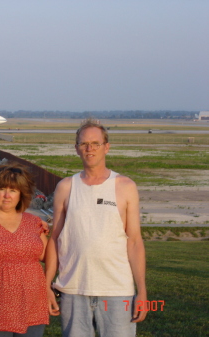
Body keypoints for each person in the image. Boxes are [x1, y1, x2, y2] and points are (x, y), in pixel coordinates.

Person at [45, 120, 147, 337]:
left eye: (95, 143)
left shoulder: (126, 187)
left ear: (106, 147)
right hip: (73, 289)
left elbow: (135, 241)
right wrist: (47, 285)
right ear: (76, 149)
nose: (89, 149)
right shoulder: (65, 187)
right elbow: (55, 238)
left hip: (117, 291)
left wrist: (142, 291)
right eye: (83, 144)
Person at [0, 164, 49, 337]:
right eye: (1, 189)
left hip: (32, 305)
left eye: (13, 190)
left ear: (21, 194)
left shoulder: (34, 222)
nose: (6, 195)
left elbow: (47, 256)